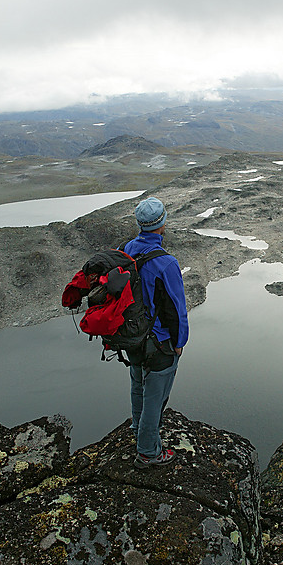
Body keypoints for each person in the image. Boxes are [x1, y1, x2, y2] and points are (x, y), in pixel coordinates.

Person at [123, 196, 189, 469]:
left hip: (132, 337)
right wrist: (180, 342)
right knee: (156, 396)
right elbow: (177, 308)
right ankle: (148, 451)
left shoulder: (126, 249)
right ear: (162, 224)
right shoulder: (166, 263)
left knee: (138, 383)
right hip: (160, 342)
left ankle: (138, 429)